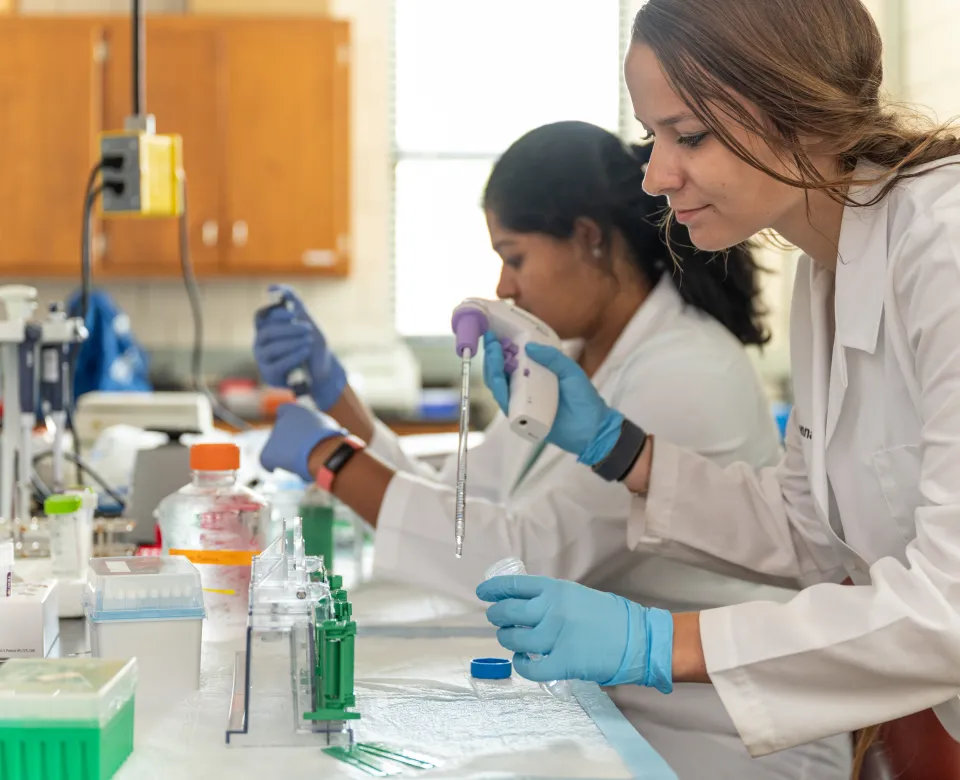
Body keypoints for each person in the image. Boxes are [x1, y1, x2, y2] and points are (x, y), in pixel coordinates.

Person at [255, 121, 851, 777]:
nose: (505, 289)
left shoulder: (685, 370)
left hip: (722, 739)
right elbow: (468, 494)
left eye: (514, 257)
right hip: (625, 711)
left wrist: (331, 462)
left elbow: (526, 553)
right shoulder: (575, 359)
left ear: (589, 239)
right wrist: (342, 405)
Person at [474, 0, 960, 773]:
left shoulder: (945, 246)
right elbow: (808, 528)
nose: (657, 175)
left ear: (800, 111)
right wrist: (618, 447)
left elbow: (951, 609)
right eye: (653, 136)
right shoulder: (826, 271)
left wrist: (662, 642)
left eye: (688, 136)